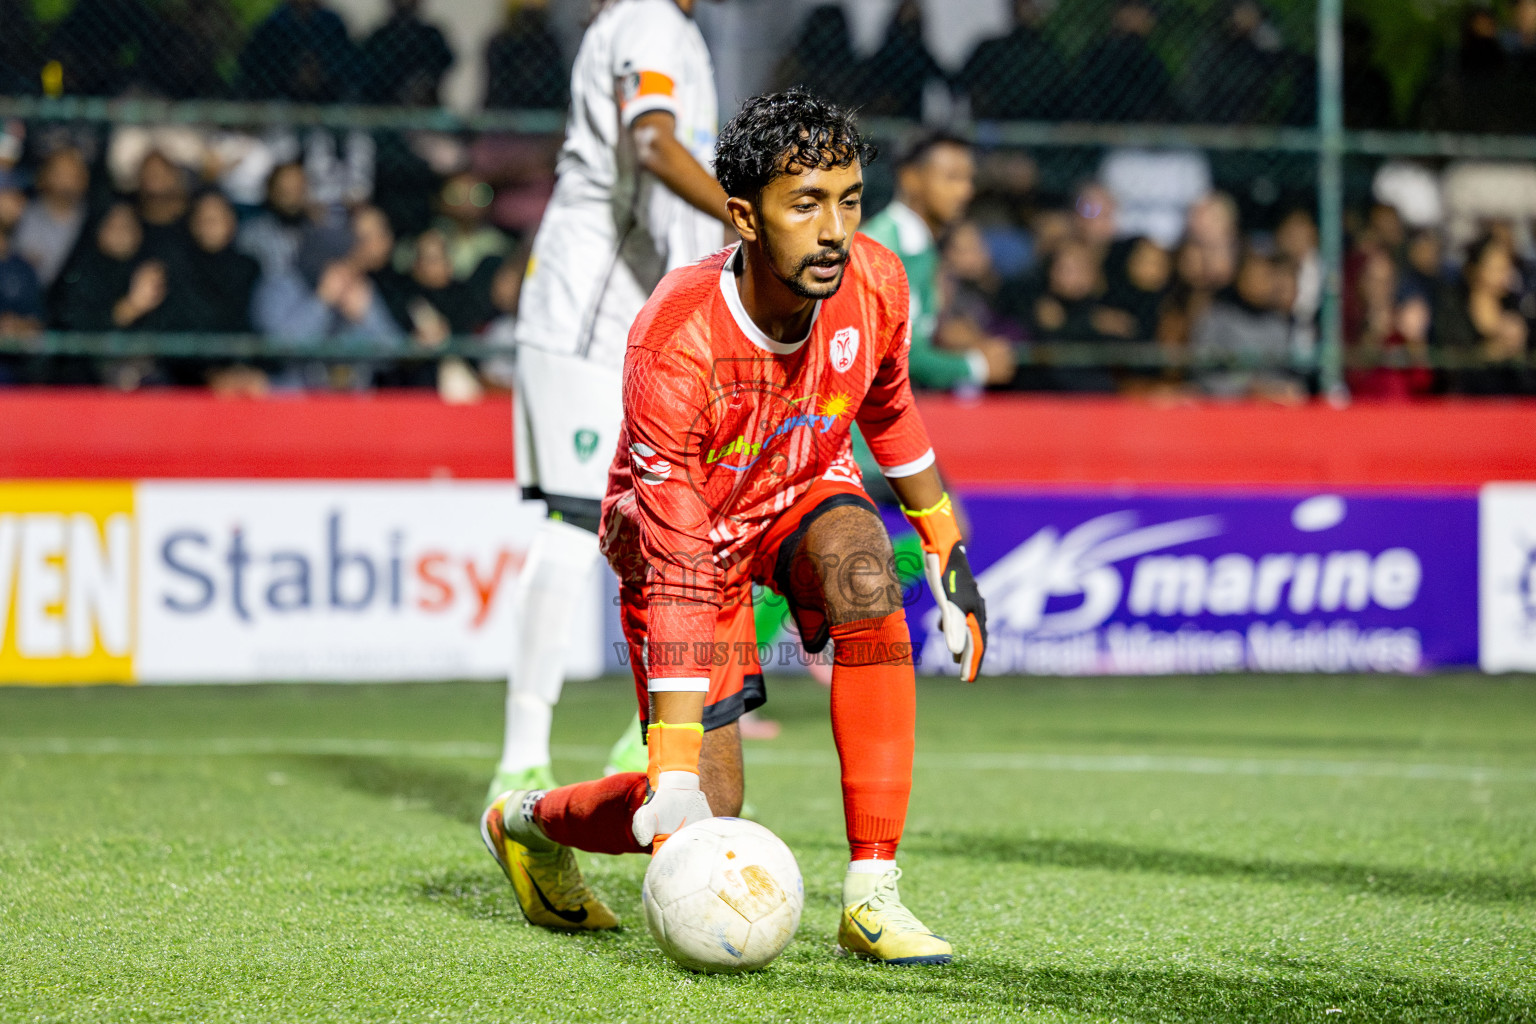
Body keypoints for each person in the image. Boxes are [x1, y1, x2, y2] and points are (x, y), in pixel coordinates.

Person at [481, 90, 987, 966]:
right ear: (744, 216)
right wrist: (674, 761)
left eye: (849, 199)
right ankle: (527, 824)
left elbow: (889, 408)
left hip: (796, 488)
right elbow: (676, 558)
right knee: (700, 810)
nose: (835, 229)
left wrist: (946, 547)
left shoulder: (874, 279)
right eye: (806, 204)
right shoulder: (675, 341)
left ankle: (872, 895)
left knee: (867, 576)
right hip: (683, 541)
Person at [485, 0, 731, 802]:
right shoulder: (650, 19)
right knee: (570, 522)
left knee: (677, 523)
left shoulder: (675, 29)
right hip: (588, 321)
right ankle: (520, 761)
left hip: (642, 321)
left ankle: (650, 740)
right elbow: (653, 142)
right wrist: (747, 214)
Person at [860, 132, 1013, 392]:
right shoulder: (885, 252)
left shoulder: (919, 248)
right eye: (952, 177)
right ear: (911, 179)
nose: (966, 191)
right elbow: (897, 357)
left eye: (968, 179)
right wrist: (978, 367)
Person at [13, 147, 90, 289]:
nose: (65, 183)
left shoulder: (94, 220)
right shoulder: (22, 213)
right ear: (44, 176)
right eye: (59, 174)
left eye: (72, 175)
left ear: (84, 178)